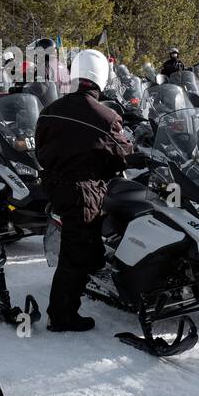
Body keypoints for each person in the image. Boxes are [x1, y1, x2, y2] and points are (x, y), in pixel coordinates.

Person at [35, 49, 132, 332]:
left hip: (54, 185)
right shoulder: (106, 116)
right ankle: (62, 316)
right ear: (100, 79)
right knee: (74, 253)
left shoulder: (50, 110)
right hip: (84, 189)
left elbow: (40, 148)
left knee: (85, 246)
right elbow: (120, 155)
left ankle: (93, 278)